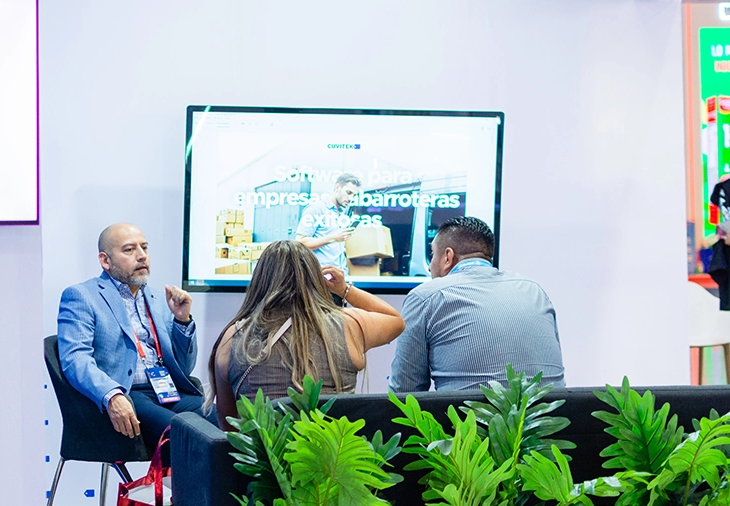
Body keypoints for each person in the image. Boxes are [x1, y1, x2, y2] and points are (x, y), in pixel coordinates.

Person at [208, 240, 405, 430]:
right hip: (335, 452)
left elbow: (229, 425)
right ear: (315, 279)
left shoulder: (233, 337)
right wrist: (344, 289)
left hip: (266, 453)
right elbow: (395, 320)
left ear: (259, 281)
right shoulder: (349, 325)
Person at [57, 223, 214, 450]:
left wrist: (182, 320)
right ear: (105, 260)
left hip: (168, 392)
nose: (142, 256)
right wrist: (112, 395)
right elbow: (75, 359)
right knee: (186, 435)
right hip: (128, 393)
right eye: (129, 250)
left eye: (144, 248)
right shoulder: (82, 296)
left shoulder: (160, 300)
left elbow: (184, 368)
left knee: (230, 424)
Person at [388, 216, 565, 392]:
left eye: (433, 254)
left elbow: (404, 392)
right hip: (552, 411)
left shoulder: (425, 297)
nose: (429, 267)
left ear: (448, 257)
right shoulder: (534, 290)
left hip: (470, 412)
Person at [296, 173, 361, 271]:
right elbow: (300, 243)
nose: (351, 198)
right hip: (321, 275)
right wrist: (333, 238)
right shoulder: (316, 209)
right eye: (348, 193)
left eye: (354, 195)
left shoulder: (342, 212)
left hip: (340, 273)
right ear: (337, 187)